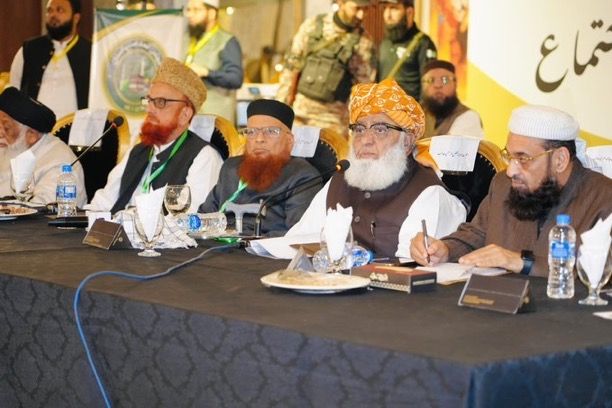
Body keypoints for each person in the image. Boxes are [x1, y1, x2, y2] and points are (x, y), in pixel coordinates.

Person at [410, 105, 612, 277]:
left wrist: (522, 262)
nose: (511, 170)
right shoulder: (503, 185)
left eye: (523, 158)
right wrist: (445, 249)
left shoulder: (603, 197)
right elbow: (476, 234)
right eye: (510, 156)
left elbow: (603, 272)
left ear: (560, 160)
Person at [287, 79, 466, 258]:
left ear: (407, 141)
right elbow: (297, 243)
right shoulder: (340, 179)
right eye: (359, 129)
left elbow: (412, 267)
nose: (366, 140)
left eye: (381, 130)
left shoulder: (429, 194)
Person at [88, 57, 223, 214]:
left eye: (160, 102)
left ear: (185, 114)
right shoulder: (138, 151)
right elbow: (103, 204)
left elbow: (193, 218)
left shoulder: (204, 158)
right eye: (149, 100)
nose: (150, 109)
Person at [199, 99, 320, 237]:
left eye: (271, 131)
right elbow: (204, 216)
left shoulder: (302, 176)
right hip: (216, 244)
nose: (259, 139)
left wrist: (249, 242)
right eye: (251, 132)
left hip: (264, 248)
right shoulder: (231, 168)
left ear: (289, 141)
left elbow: (298, 234)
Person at [276, 0, 375, 136]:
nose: (361, 15)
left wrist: (355, 129)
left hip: (333, 121)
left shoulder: (364, 42)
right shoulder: (312, 26)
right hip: (300, 115)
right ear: (341, 3)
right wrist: (278, 112)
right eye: (357, 8)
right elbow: (291, 68)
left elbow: (363, 90)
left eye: (365, 9)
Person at [0, 87, 86, 206]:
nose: (0, 133)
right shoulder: (9, 147)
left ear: (31, 135)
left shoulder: (59, 163)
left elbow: (41, 209)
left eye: (6, 128)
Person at [10, 0, 91, 120]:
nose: (53, 15)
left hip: (76, 127)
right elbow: (14, 89)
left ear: (76, 18)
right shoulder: (29, 49)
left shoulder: (91, 52)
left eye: (60, 10)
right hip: (34, 127)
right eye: (49, 10)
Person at [184, 0, 244, 123]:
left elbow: (236, 79)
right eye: (188, 10)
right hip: (190, 117)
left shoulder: (227, 41)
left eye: (196, 10)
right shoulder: (189, 39)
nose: (190, 14)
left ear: (211, 13)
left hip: (215, 122)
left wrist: (206, 72)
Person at [377, 0, 437, 100]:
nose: (387, 15)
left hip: (409, 108)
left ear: (409, 12)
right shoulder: (385, 42)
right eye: (384, 8)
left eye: (394, 8)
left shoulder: (423, 43)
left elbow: (428, 87)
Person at [421, 59, 483, 139]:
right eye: (430, 80)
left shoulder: (469, 117)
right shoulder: (414, 114)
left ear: (455, 84)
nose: (438, 85)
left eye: (445, 80)